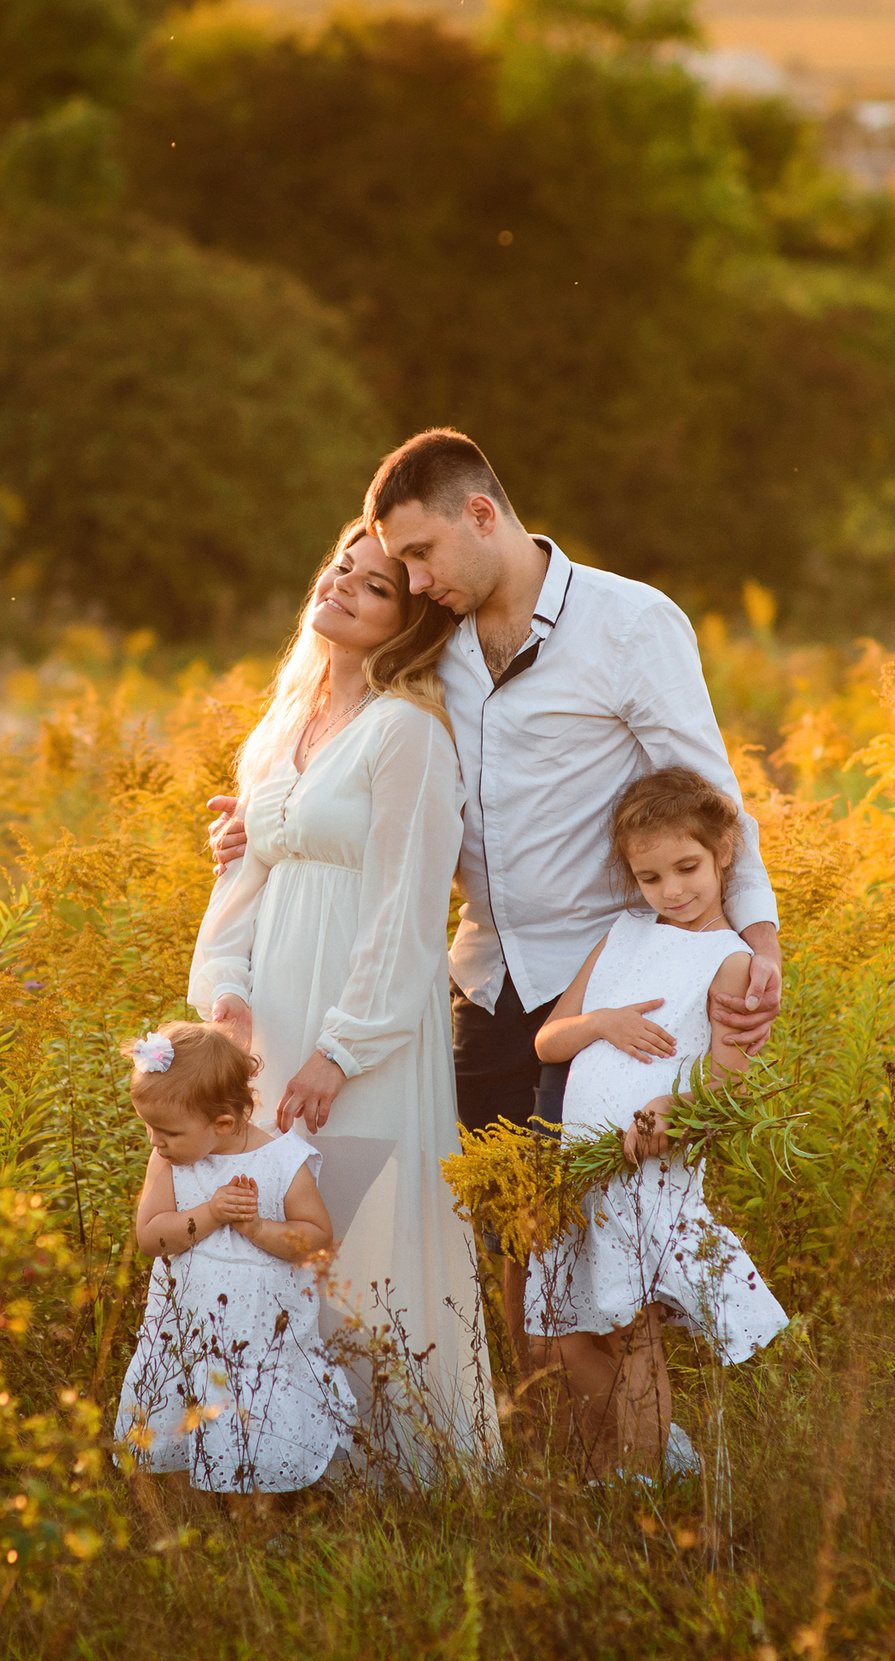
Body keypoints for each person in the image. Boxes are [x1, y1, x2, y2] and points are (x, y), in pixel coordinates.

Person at [211, 430, 783, 1397]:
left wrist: (755, 947)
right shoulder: (436, 643)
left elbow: (712, 796)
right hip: (480, 980)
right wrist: (261, 824)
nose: (415, 577)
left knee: (610, 1249)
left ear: (483, 515)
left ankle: (640, 1476)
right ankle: (561, 1463)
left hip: (602, 981)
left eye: (423, 554)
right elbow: (358, 769)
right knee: (508, 1233)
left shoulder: (632, 622)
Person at [187, 518, 499, 1478]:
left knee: (356, 1237)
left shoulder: (407, 733)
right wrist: (225, 1000)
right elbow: (243, 880)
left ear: (403, 627)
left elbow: (407, 909)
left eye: (373, 588)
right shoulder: (281, 727)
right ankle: (280, 1454)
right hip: (271, 1018)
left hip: (359, 1029)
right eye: (340, 570)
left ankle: (393, 1465)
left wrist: (341, 1049)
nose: (345, 588)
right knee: (270, 1235)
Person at [525, 769, 790, 1474]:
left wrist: (671, 1110)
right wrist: (601, 1022)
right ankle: (653, 1455)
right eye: (650, 877)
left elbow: (725, 1087)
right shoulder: (621, 933)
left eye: (687, 868)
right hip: (578, 1166)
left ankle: (640, 1480)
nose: (672, 890)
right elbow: (548, 1041)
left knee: (632, 1329)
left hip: (641, 1172)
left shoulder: (728, 960)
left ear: (724, 851)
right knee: (571, 1329)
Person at [114, 1022, 355, 1500]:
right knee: (178, 1421)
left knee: (257, 1431)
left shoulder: (283, 1161)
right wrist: (210, 1213)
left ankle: (259, 1521)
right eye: (149, 1126)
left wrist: (258, 1229)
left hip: (259, 1333)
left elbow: (317, 1238)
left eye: (168, 1131)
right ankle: (191, 1516)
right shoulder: (168, 1162)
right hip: (184, 1332)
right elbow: (150, 1237)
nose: (155, 1141)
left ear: (223, 1123)